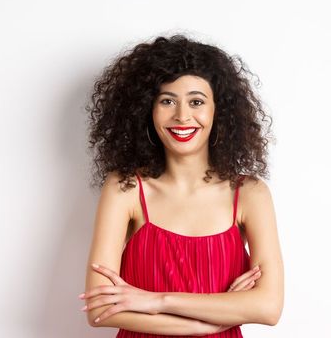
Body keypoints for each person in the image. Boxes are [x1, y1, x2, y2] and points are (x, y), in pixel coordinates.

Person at [79, 34, 283, 337]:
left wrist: (153, 301)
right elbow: (99, 310)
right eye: (167, 101)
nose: (182, 116)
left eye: (196, 101)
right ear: (147, 110)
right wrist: (222, 314)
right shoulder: (125, 188)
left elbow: (268, 308)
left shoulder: (250, 194)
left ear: (219, 111)